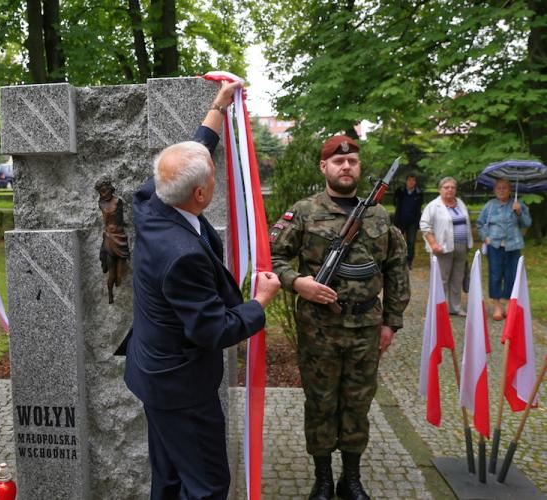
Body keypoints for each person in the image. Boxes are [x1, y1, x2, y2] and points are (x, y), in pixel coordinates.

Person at [123, 81, 281, 500]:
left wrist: (217, 108)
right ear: (201, 194)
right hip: (182, 389)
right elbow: (212, 330)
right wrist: (260, 301)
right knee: (208, 484)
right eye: (212, 177)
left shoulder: (150, 199)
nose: (214, 175)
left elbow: (193, 155)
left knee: (169, 479)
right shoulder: (182, 256)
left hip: (155, 375)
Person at [270, 135, 410, 500]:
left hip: (366, 328)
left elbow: (396, 269)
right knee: (320, 402)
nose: (345, 167)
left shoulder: (379, 216)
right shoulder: (303, 212)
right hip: (319, 329)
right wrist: (300, 283)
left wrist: (390, 323)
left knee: (358, 402)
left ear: (358, 167)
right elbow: (272, 258)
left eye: (352, 162)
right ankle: (321, 480)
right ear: (324, 167)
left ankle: (351, 479)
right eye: (337, 161)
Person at [476, 179, 531, 321]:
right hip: (495, 245)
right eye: (499, 188)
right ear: (495, 190)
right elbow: (480, 224)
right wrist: (485, 237)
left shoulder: (518, 204)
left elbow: (527, 223)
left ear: (510, 190)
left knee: (511, 275)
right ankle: (497, 306)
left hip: (514, 246)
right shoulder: (490, 206)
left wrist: (519, 212)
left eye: (505, 188)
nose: (501, 190)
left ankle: (508, 304)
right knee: (495, 275)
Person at [419, 176, 473, 316]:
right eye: (446, 187)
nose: (450, 190)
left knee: (457, 278)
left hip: (461, 246)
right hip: (442, 248)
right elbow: (424, 225)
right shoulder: (433, 206)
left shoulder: (460, 203)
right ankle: (438, 309)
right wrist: (433, 244)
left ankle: (455, 307)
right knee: (441, 279)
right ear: (440, 189)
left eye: (452, 187)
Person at [94, 178, 129, 304]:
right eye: (101, 192)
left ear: (110, 188)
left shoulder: (118, 201)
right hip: (109, 239)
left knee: (120, 275)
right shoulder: (101, 204)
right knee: (112, 274)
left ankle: (117, 285)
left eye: (105, 190)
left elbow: (121, 220)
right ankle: (110, 295)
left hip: (119, 236)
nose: (104, 194)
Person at [393, 173, 424, 267]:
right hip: (400, 221)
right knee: (399, 241)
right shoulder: (400, 191)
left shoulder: (419, 193)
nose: (411, 182)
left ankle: (409, 261)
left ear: (415, 182)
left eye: (413, 180)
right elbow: (395, 203)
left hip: (413, 222)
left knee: (411, 242)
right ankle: (398, 260)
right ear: (406, 181)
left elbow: (419, 207)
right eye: (409, 180)